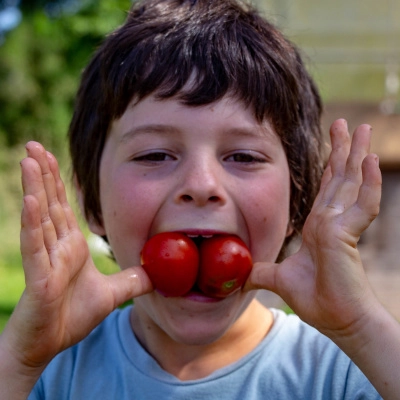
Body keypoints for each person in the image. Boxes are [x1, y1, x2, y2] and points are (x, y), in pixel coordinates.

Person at [1, 0, 400, 398]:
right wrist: (18, 360)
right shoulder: (48, 374)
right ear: (92, 204)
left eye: (243, 156)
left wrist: (361, 328)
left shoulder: (345, 375)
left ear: (298, 205)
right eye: (154, 154)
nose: (202, 183)